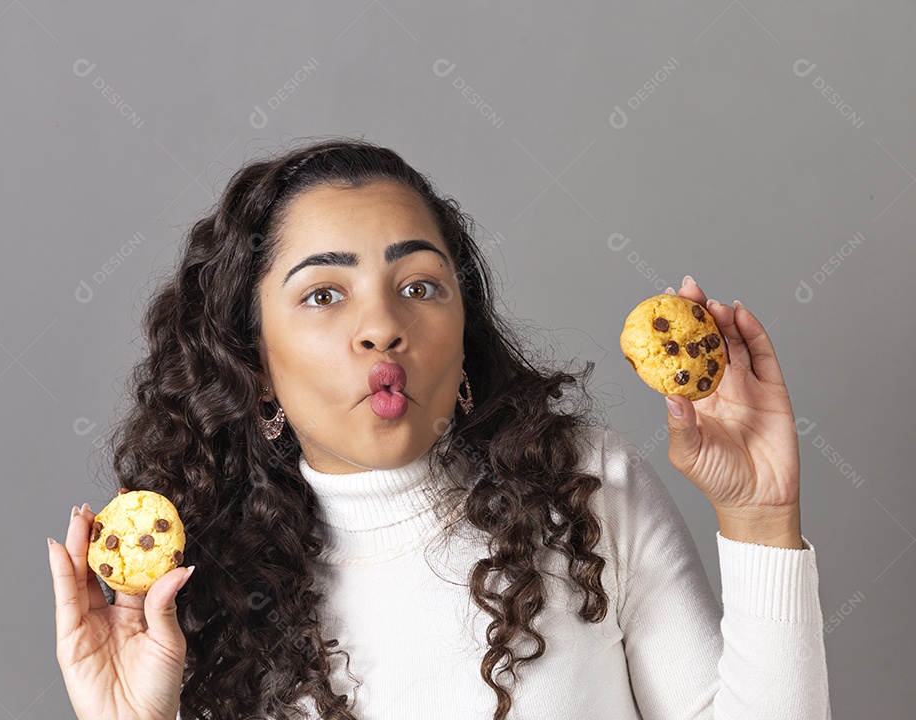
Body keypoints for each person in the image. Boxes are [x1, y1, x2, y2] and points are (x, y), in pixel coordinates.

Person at [47, 138, 830, 719]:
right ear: (254, 365)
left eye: (418, 284)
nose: (383, 325)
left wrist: (763, 519)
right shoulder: (195, 599)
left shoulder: (587, 493)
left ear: (464, 339)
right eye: (324, 294)